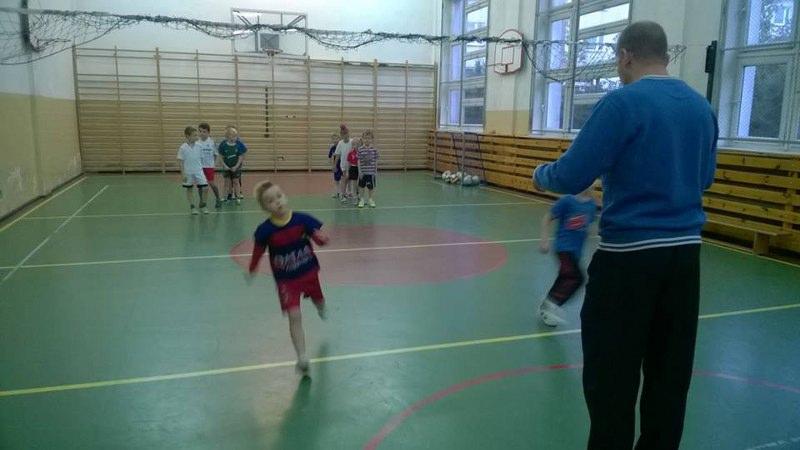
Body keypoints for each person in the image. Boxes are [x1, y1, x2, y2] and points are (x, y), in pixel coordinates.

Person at [532, 21, 718, 449]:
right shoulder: (700, 107)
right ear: (665, 55)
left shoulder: (621, 104)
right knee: (669, 377)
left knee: (611, 378)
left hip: (629, 260)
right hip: (685, 261)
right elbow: (704, 178)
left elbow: (572, 174)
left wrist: (540, 174)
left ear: (625, 55)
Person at [247, 180, 330, 375]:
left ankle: (321, 307)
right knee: (294, 316)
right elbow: (258, 252)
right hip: (286, 281)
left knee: (319, 301)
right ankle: (302, 357)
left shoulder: (302, 220)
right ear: (264, 208)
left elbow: (317, 235)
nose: (277, 202)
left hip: (308, 273)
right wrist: (252, 267)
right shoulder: (265, 231)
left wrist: (321, 239)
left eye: (279, 196)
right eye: (270, 201)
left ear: (285, 196)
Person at [537, 186, 597, 326]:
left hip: (576, 252)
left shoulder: (591, 205)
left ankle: (547, 304)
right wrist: (544, 240)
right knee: (576, 277)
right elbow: (547, 218)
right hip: (563, 248)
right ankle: (551, 307)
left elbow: (589, 227)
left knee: (564, 277)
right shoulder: (567, 201)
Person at [176, 126, 209, 215]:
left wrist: (203, 170)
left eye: (196, 135)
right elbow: (180, 162)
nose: (196, 137)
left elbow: (202, 159)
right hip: (188, 172)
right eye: (194, 135)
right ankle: (192, 207)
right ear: (187, 136)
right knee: (189, 189)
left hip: (199, 171)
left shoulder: (199, 146)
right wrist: (183, 174)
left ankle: (203, 205)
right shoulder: (183, 148)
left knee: (205, 188)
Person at [197, 123, 221, 208]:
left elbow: (217, 154)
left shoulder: (212, 142)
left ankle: (218, 198)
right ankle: (201, 200)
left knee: (211, 184)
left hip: (209, 167)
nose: (202, 133)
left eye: (204, 132)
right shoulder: (197, 142)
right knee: (200, 185)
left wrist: (215, 163)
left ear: (208, 132)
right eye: (200, 131)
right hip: (200, 167)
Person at [356, 129, 379, 208]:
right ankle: (362, 199)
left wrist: (375, 171)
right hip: (363, 172)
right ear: (362, 139)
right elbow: (358, 161)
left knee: (371, 187)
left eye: (369, 138)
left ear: (372, 139)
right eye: (365, 138)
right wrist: (359, 171)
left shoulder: (374, 150)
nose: (367, 140)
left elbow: (376, 160)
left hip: (371, 172)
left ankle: (370, 199)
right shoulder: (360, 149)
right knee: (361, 186)